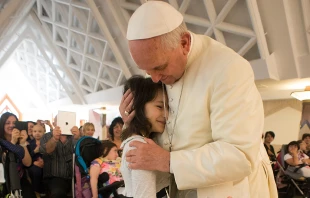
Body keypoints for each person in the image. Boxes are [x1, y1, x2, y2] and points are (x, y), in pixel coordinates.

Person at [119, 1, 277, 197]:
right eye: (146, 70)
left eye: (159, 67)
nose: (155, 79)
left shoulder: (228, 69)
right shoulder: (159, 69)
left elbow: (240, 155)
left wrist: (168, 161)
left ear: (184, 43)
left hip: (227, 189)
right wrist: (134, 122)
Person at [120, 76, 169, 198]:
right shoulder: (140, 146)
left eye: (168, 108)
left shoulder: (135, 139)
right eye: (159, 107)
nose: (166, 114)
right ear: (138, 106)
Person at [0, 112, 35, 197]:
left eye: (14, 123)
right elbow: (5, 162)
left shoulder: (22, 140)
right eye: (8, 123)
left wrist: (22, 143)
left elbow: (28, 163)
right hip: (4, 180)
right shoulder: (1, 142)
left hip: (20, 178)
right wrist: (12, 143)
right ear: (2, 125)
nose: (11, 125)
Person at [40, 115, 76, 197]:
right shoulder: (47, 136)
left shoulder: (72, 137)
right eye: (60, 121)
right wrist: (54, 139)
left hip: (74, 177)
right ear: (54, 123)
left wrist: (78, 138)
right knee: (58, 192)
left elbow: (81, 153)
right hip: (54, 177)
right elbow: (46, 150)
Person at [28, 124, 45, 197]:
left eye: (40, 131)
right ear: (32, 132)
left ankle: (45, 190)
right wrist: (35, 151)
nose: (37, 133)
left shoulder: (45, 142)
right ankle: (36, 191)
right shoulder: (29, 143)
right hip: (33, 163)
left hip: (45, 163)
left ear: (43, 132)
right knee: (36, 171)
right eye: (35, 131)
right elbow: (27, 156)